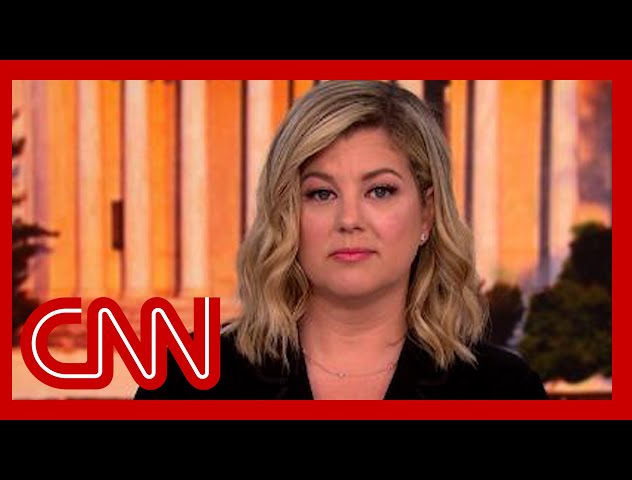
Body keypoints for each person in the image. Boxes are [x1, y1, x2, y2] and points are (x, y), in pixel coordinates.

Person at [135, 80, 548, 400]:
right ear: (287, 214)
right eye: (321, 193)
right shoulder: (188, 380)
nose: (349, 220)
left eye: (380, 191)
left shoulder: (503, 389)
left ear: (427, 212)